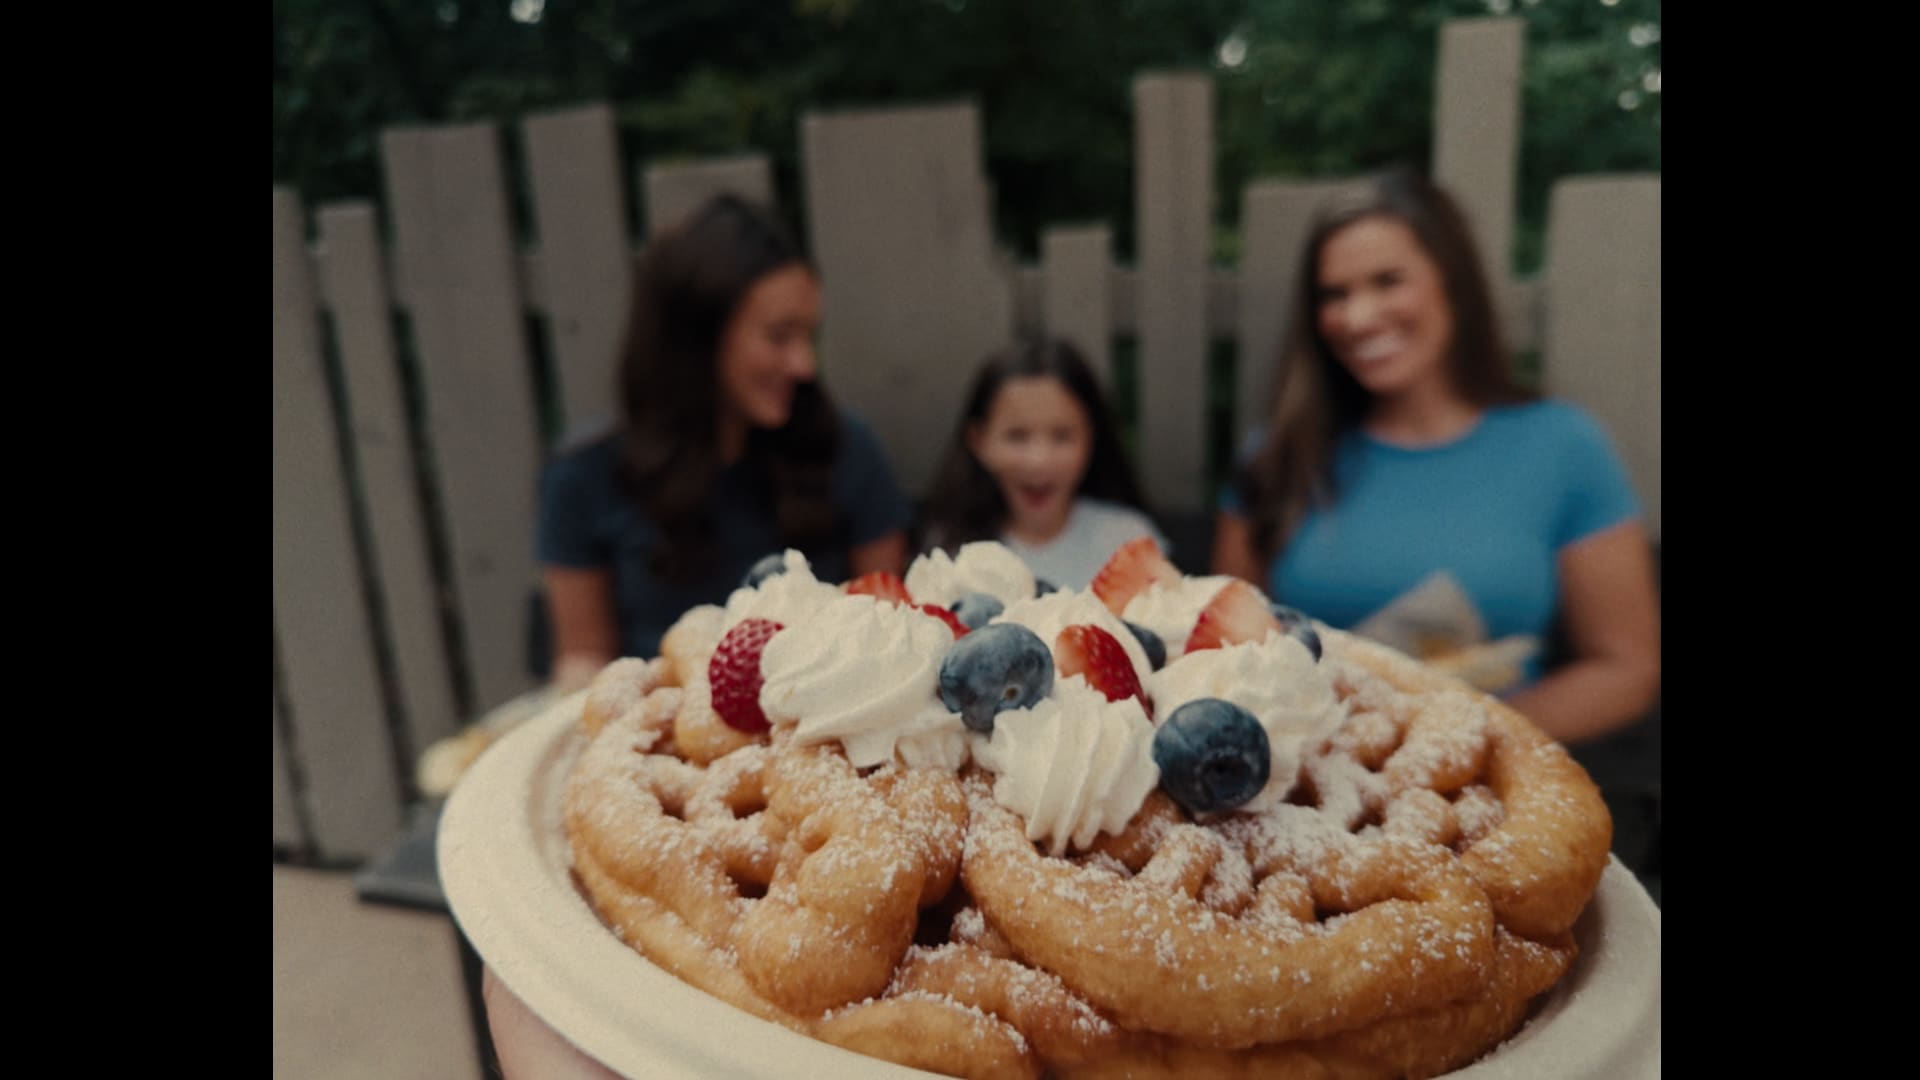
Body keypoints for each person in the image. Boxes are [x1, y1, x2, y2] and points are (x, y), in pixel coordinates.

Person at [1211, 167, 1659, 745]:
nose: (1359, 316)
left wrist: (1459, 741)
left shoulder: (1563, 446)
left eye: (1387, 281)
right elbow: (1222, 656)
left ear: (1452, 282)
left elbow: (1626, 669)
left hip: (1490, 788)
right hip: (1309, 784)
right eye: (1335, 294)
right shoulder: (1274, 457)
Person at [537, 193, 912, 692]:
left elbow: (892, 629)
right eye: (780, 336)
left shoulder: (845, 448)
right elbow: (584, 664)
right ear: (699, 337)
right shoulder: (584, 477)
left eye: (808, 337)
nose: (804, 365)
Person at [918, 336, 1168, 589]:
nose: (1039, 460)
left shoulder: (1129, 542)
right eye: (1017, 436)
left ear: (1092, 438)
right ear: (979, 441)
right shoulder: (949, 553)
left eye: (1062, 436)